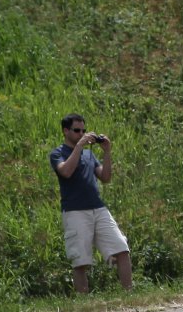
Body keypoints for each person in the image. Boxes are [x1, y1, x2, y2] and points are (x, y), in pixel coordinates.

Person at [50, 113, 133, 292]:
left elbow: (105, 177)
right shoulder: (57, 153)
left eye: (83, 130)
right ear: (65, 131)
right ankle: (83, 301)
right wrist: (79, 146)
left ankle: (129, 294)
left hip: (98, 208)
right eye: (77, 130)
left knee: (122, 248)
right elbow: (65, 172)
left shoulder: (89, 154)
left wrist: (107, 152)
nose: (81, 134)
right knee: (80, 260)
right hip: (75, 211)